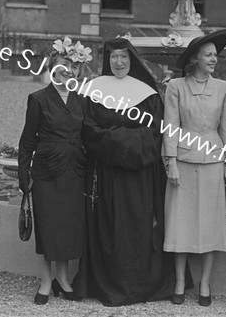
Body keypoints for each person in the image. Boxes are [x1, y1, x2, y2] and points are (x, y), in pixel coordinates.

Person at [72, 38, 175, 306]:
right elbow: (88, 130)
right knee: (108, 228)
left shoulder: (147, 94)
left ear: (132, 60)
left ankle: (139, 285)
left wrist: (115, 140)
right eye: (114, 57)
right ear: (107, 61)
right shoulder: (92, 90)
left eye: (124, 57)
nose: (119, 62)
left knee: (138, 227)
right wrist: (126, 140)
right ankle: (105, 283)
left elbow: (155, 134)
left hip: (139, 176)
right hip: (105, 175)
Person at [18, 37, 93, 305]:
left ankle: (63, 278)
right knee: (49, 226)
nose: (68, 71)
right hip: (47, 171)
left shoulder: (82, 100)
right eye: (63, 65)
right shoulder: (38, 99)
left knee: (69, 226)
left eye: (73, 67)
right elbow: (27, 140)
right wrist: (24, 175)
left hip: (74, 170)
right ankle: (46, 279)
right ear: (52, 67)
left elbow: (89, 136)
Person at [162, 30, 226, 306]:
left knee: (211, 224)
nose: (214, 59)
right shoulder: (176, 87)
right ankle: (180, 281)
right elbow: (171, 126)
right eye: (208, 55)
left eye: (215, 55)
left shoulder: (224, 88)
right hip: (183, 160)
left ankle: (205, 283)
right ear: (194, 59)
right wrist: (171, 163)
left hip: (213, 162)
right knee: (180, 223)